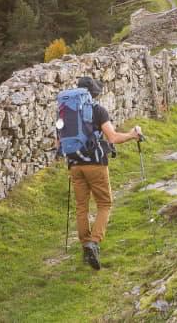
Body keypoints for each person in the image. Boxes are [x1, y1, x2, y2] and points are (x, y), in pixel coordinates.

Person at [67, 76, 142, 270]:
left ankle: (85, 246)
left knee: (81, 206)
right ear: (93, 93)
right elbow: (113, 138)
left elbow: (59, 143)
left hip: (74, 164)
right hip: (95, 164)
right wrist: (132, 135)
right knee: (104, 204)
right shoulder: (98, 110)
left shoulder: (66, 111)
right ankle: (94, 242)